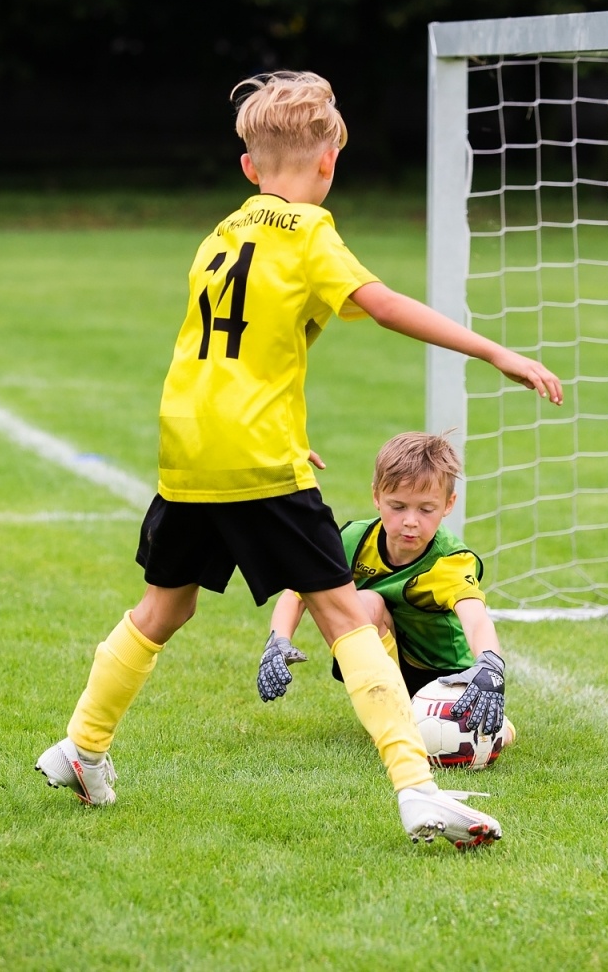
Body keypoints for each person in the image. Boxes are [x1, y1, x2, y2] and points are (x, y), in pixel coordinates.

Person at [35, 71, 561, 850]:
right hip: (254, 458)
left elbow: (234, 353)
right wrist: (492, 350)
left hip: (190, 447)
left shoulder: (219, 234)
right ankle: (418, 792)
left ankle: (81, 747)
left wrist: (276, 433)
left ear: (249, 168)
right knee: (346, 614)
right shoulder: (310, 234)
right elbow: (381, 304)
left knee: (164, 609)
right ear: (329, 164)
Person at [257, 432, 514, 765]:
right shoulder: (355, 539)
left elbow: (476, 617)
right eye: (398, 506)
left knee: (486, 733)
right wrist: (278, 640)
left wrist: (490, 664)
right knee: (363, 603)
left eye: (426, 509)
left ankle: (496, 728)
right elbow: (299, 591)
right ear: (377, 497)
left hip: (447, 674)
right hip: (390, 660)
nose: (410, 520)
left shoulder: (449, 561)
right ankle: (388, 705)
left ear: (449, 505)